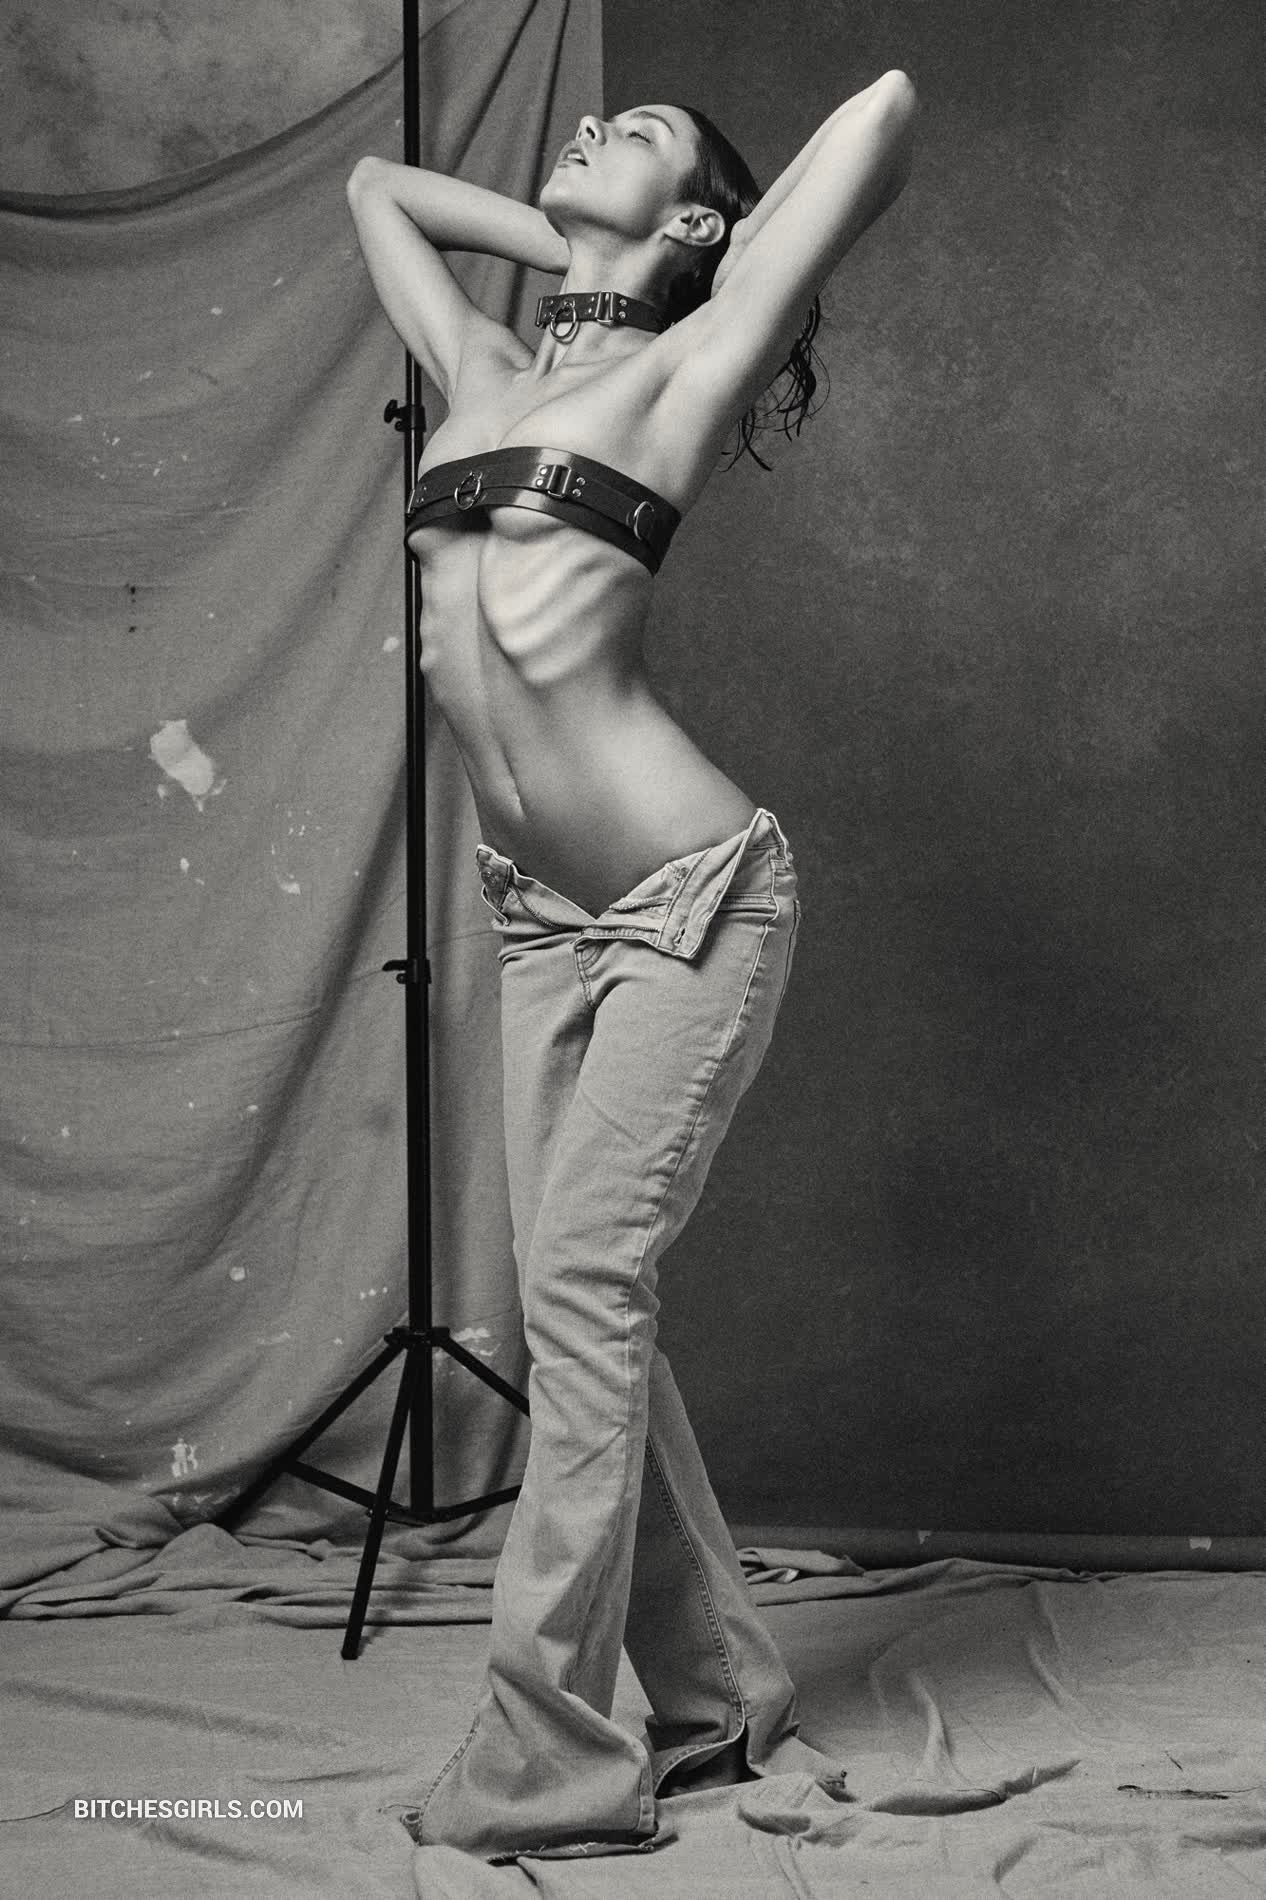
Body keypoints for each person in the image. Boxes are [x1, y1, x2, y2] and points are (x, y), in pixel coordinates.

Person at [347, 71, 917, 1865]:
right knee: (574, 1308)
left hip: (692, 902)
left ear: (700, 222)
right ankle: (721, 1690)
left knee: (586, 1291)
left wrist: (705, 261)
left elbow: (885, 113)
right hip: (540, 913)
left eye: (642, 133)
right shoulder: (480, 367)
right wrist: (587, 239)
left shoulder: (691, 364)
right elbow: (375, 189)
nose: (598, 128)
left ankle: (550, 1758)